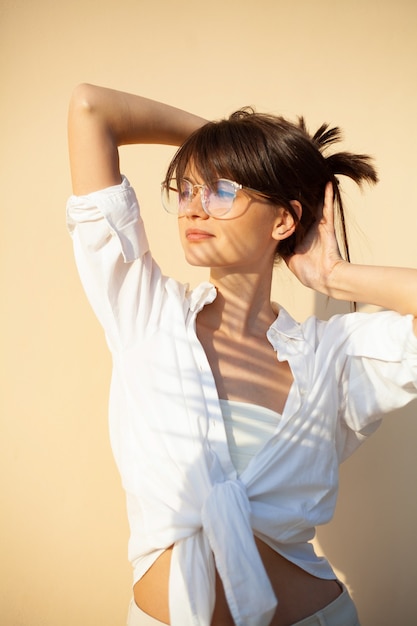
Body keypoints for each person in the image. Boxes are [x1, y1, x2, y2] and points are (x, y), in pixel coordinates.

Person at [66, 84, 417, 626]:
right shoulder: (145, 311)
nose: (193, 208)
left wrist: (335, 275)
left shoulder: (330, 357)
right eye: (185, 190)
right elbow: (91, 108)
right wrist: (224, 145)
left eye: (221, 190)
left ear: (283, 221)